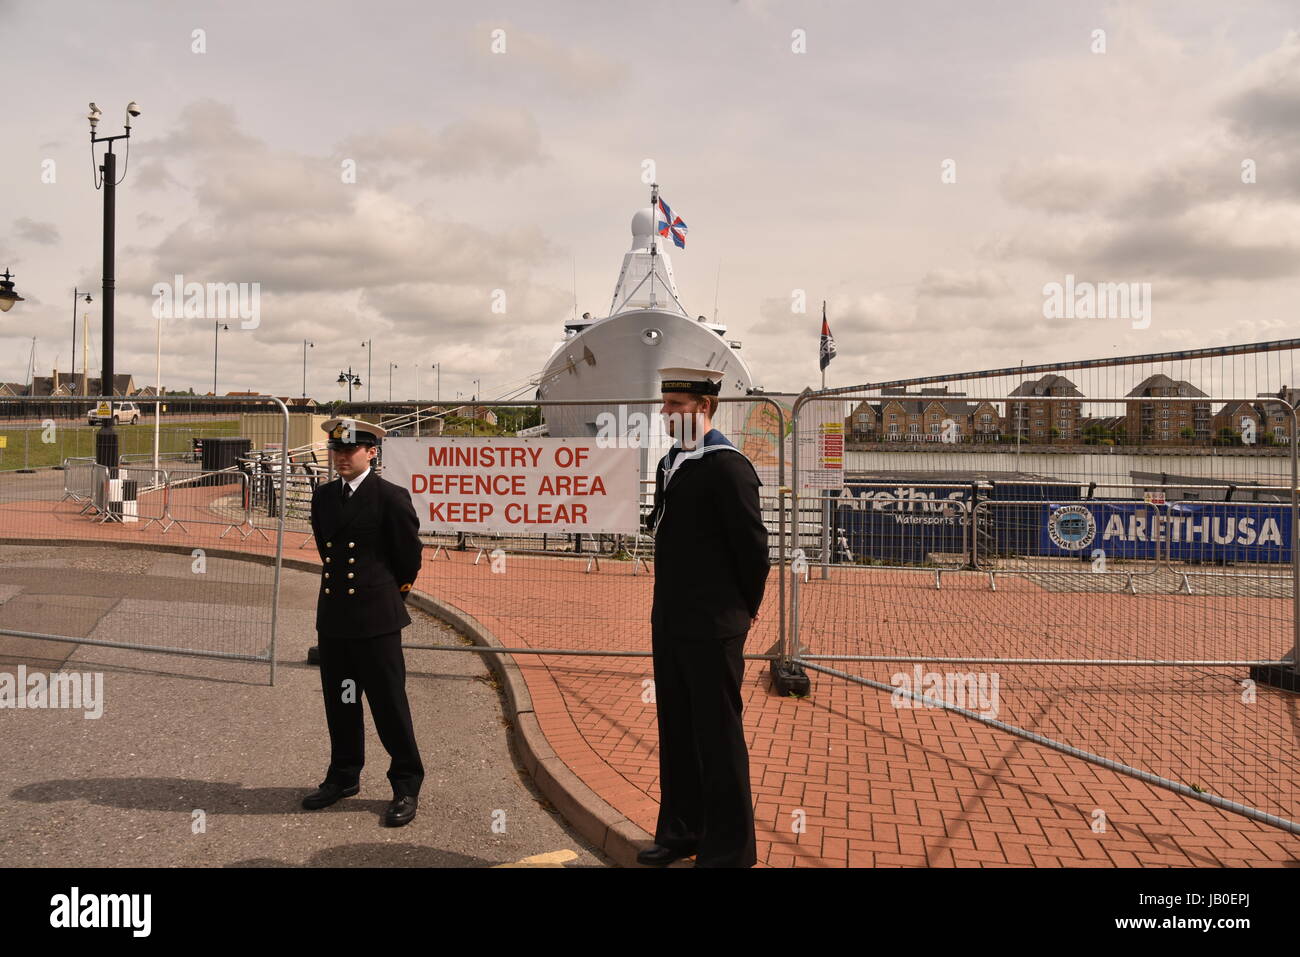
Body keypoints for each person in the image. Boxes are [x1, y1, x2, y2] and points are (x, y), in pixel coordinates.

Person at [638, 367, 770, 867]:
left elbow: (754, 551)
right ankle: (681, 832)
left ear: (705, 408)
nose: (666, 414)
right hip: (671, 620)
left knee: (717, 738)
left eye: (675, 406)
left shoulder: (727, 466)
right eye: (665, 404)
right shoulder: (673, 461)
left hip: (714, 626)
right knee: (677, 729)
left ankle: (729, 851)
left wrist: (742, 612)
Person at [302, 417, 425, 827]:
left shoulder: (390, 496)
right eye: (335, 450)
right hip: (335, 618)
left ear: (371, 452)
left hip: (378, 620)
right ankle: (343, 776)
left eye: (349, 450)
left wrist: (389, 597)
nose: (339, 457)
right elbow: (327, 550)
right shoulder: (322, 498)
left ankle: (406, 785)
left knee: (389, 705)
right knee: (342, 702)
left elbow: (407, 557)